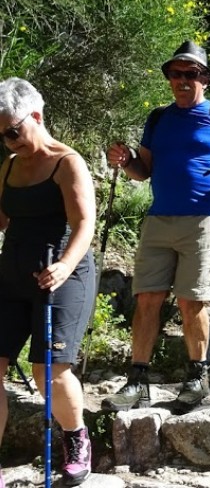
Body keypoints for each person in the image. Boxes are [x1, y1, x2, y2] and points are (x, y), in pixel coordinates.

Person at [102, 41, 210, 413]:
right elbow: (144, 171)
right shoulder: (158, 118)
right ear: (169, 78)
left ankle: (197, 377)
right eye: (176, 74)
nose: (182, 80)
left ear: (204, 78)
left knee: (192, 301)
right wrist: (125, 161)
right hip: (158, 219)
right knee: (147, 299)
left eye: (191, 74)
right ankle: (138, 381)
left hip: (205, 219)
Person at [0, 78, 96, 485]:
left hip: (62, 273)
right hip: (13, 274)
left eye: (13, 131)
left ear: (35, 116)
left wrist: (63, 267)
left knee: (48, 371)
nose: (8, 141)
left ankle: (77, 440)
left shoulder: (66, 162)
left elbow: (84, 223)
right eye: (1, 134)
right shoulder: (7, 166)